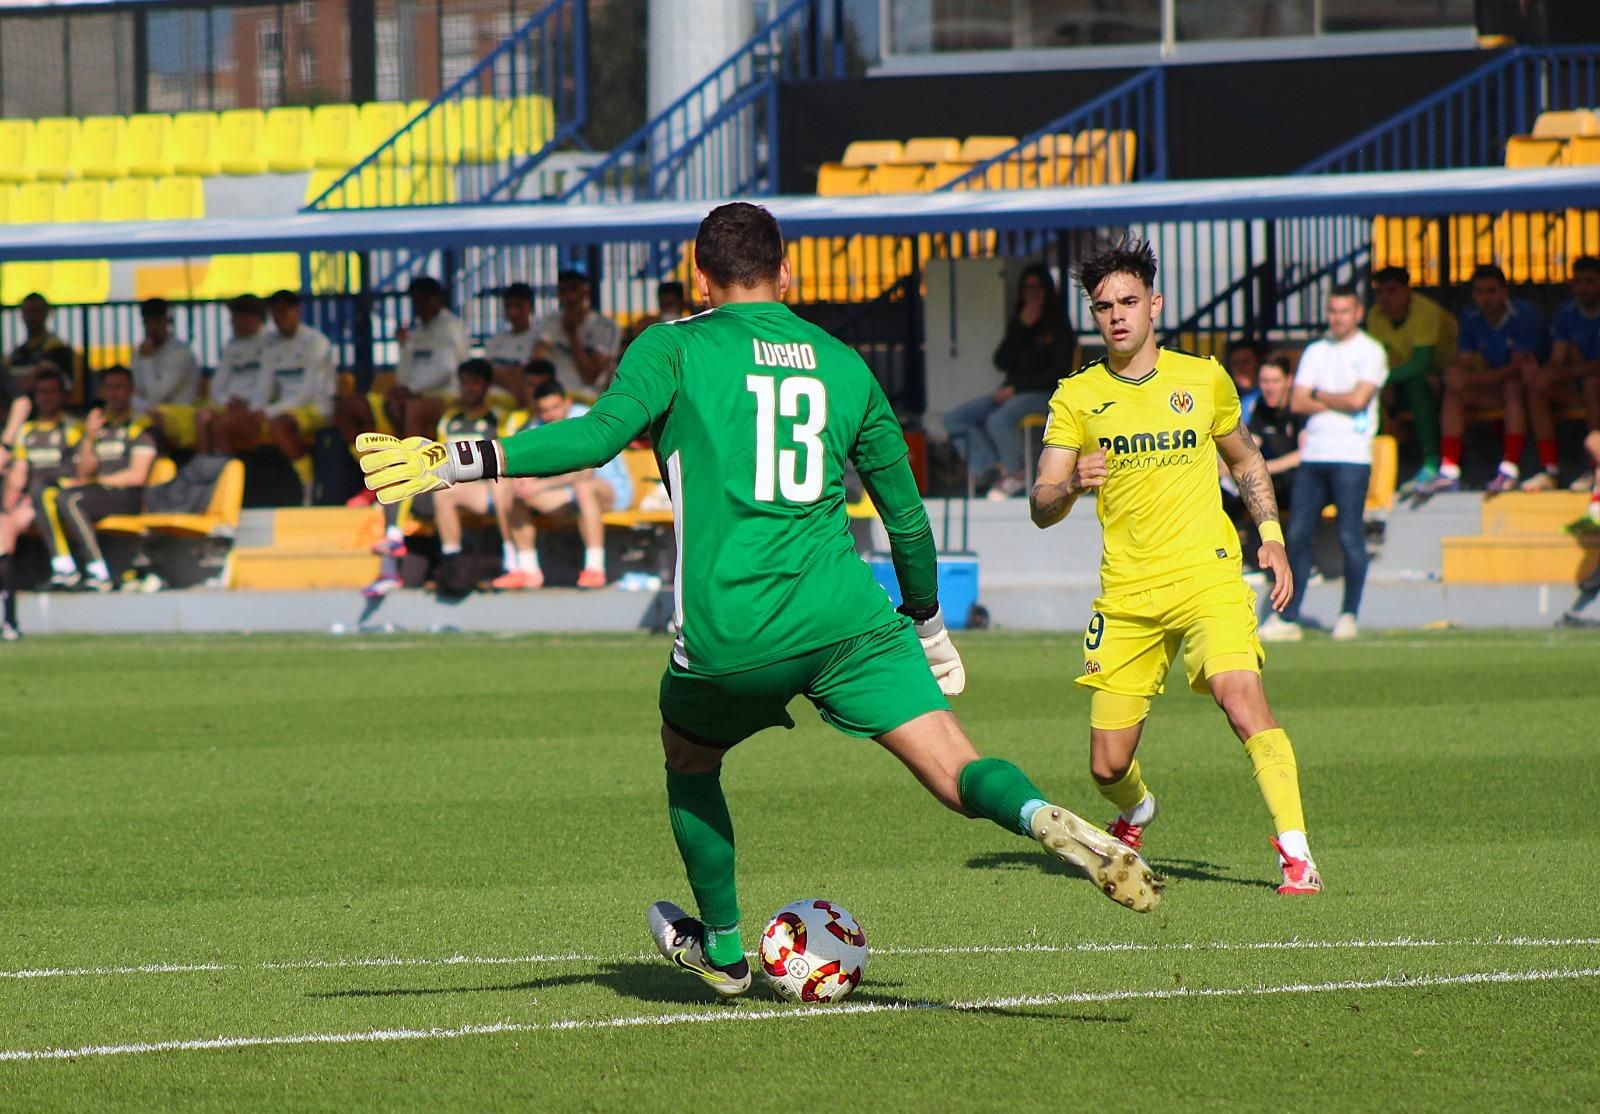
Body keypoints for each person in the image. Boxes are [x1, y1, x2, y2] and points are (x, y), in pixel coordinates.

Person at [355, 202, 1162, 997]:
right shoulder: (843, 363)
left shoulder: (672, 347)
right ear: (787, 274)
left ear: (698, 279)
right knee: (958, 768)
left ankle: (728, 955)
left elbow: (594, 438)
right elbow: (907, 520)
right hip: (848, 617)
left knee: (689, 758)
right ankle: (1036, 818)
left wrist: (458, 457)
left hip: (731, 627)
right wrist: (928, 623)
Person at [1030, 238, 1320, 896]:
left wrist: (1269, 535)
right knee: (1107, 764)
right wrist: (1073, 481)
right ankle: (1136, 808)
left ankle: (1297, 853)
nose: (1117, 316)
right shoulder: (1077, 397)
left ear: (1154, 305)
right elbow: (1041, 505)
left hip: (1208, 574)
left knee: (1240, 697)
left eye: (1129, 301)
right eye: (1104, 306)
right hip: (1128, 594)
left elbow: (1245, 459)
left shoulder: (1203, 378)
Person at [1261, 286, 1389, 643]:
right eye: (1333, 310)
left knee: (1350, 536)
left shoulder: (1371, 351)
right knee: (1298, 536)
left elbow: (1360, 399)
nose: (1337, 317)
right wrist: (1340, 400)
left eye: (1344, 310)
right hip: (1314, 455)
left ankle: (1348, 614)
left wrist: (1320, 395)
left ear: (1358, 313)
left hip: (1351, 458)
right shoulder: (1316, 351)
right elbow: (1298, 402)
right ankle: (1287, 616)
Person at [472, 378, 634, 590]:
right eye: (544, 410)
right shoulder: (537, 425)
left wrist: (539, 487)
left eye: (555, 408)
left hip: (608, 489)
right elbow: (527, 463)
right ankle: (526, 570)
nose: (550, 415)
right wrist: (523, 483)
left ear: (567, 403)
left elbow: (585, 473)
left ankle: (595, 568)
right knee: (512, 491)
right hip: (567, 493)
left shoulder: (586, 417)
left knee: (584, 488)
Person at [362, 358, 501, 599]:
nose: (468, 388)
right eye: (464, 382)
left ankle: (450, 566)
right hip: (448, 486)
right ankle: (390, 563)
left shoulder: (496, 418)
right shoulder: (450, 418)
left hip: (483, 488)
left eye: (475, 382)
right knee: (396, 481)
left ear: (487, 386)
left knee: (441, 490)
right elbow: (439, 459)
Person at [944, 263, 1074, 500]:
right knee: (956, 418)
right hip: (1011, 392)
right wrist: (1022, 327)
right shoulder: (1021, 322)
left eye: (1037, 288)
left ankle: (1017, 473)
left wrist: (1016, 389)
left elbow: (1059, 371)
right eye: (1027, 288)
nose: (1032, 293)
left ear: (1047, 291)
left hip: (1044, 393)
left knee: (998, 419)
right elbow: (1001, 360)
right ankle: (992, 467)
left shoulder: (1058, 325)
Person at [1420, 264, 1545, 494]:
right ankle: (1448, 469)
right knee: (1453, 391)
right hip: (1488, 387)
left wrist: (1470, 377)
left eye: (1491, 290)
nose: (1485, 297)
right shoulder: (1470, 317)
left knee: (1512, 386)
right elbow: (1464, 362)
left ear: (1504, 292)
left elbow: (1516, 368)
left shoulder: (1525, 315)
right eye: (1479, 291)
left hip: (1528, 390)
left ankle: (1510, 468)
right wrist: (1454, 374)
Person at [42, 365, 158, 592]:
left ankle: (97, 570)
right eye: (109, 388)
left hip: (128, 496)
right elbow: (84, 472)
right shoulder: (99, 428)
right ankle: (67, 567)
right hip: (97, 494)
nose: (114, 393)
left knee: (71, 499)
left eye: (120, 387)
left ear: (131, 390)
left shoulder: (139, 426)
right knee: (51, 493)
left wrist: (98, 482)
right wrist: (89, 437)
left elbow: (137, 475)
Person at [336, 276, 468, 457]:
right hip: (409, 394)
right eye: (416, 299)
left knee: (413, 409)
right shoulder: (416, 331)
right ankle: (368, 468)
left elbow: (446, 369)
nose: (421, 304)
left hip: (445, 397)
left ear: (438, 298)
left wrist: (411, 389)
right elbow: (403, 375)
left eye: (425, 298)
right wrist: (404, 347)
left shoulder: (451, 327)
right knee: (348, 406)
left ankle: (411, 475)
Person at [0, 369, 82, 628]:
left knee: (12, 526)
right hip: (28, 499)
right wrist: (11, 497)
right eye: (41, 392)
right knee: (5, 526)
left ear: (62, 395)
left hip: (56, 497)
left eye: (51, 391)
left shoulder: (72, 428)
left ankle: (10, 619)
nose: (45, 397)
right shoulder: (28, 431)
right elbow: (19, 472)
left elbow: (80, 473)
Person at [1365, 266, 1457, 493]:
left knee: (1417, 385)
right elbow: (1377, 361)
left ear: (1408, 290)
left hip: (1447, 378)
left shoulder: (1425, 312)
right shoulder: (1375, 316)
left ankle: (1431, 463)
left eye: (1392, 290)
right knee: (1372, 393)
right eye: (1380, 292)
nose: (1385, 298)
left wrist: (1380, 379)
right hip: (1402, 378)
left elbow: (1421, 365)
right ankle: (1373, 466)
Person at [1522, 257, 1600, 493]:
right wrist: (1541, 374)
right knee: (1537, 388)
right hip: (1578, 382)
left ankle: (1594, 467)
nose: (1583, 288)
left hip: (1593, 385)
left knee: (1592, 383)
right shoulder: (1566, 313)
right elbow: (1558, 359)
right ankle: (1550, 469)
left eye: (1590, 281)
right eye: (1578, 282)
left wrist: (1571, 369)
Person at [1223, 350, 1301, 564]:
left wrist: (1264, 468)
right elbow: (1249, 448)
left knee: (1302, 491)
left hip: (1302, 481)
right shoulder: (1261, 411)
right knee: (1233, 491)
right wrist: (1225, 465)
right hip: (1276, 482)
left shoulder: (1299, 408)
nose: (1269, 387)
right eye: (1264, 381)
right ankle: (1240, 557)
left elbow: (1304, 455)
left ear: (1288, 381)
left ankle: (1301, 562)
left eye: (1275, 381)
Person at [258, 290, 336, 499]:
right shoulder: (271, 346)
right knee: (237, 424)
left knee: (280, 426)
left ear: (298, 311)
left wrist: (268, 411)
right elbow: (264, 386)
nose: (279, 317)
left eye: (284, 311)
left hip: (316, 409)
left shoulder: (316, 343)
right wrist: (255, 411)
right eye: (274, 312)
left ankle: (308, 484)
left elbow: (307, 394)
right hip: (282, 409)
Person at [196, 295, 271, 457]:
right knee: (202, 417)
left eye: (236, 318)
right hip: (230, 405)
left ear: (253, 318)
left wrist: (249, 404)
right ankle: (205, 465)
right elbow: (217, 386)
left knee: (220, 425)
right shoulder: (231, 346)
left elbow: (267, 384)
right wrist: (227, 401)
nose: (232, 323)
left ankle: (227, 470)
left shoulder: (270, 344)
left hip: (255, 408)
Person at [532, 269, 622, 392]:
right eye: (564, 291)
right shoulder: (550, 322)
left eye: (574, 289)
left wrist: (572, 335)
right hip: (554, 395)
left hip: (589, 398)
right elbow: (537, 363)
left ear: (586, 293)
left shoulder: (606, 327)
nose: (570, 297)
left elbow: (590, 376)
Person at [130, 298, 202, 451]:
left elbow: (156, 395)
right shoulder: (140, 353)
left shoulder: (180, 352)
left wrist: (147, 360)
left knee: (153, 418)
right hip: (148, 410)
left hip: (181, 415)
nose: (152, 328)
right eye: (148, 323)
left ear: (167, 322)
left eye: (156, 322)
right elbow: (135, 390)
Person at [482, 282, 538, 404]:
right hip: (490, 404)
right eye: (509, 306)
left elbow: (525, 379)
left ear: (530, 307)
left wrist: (497, 375)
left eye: (518, 306)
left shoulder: (538, 340)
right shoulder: (494, 340)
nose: (513, 312)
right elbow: (483, 374)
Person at [625, 280, 692, 345]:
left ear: (682, 303)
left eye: (670, 304)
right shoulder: (647, 325)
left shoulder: (691, 327)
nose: (666, 309)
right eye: (662, 305)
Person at [1225, 337, 1265, 427]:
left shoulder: (1268, 395)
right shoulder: (1225, 398)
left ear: (1258, 364)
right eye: (1235, 363)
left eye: (1246, 362)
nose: (1241, 368)